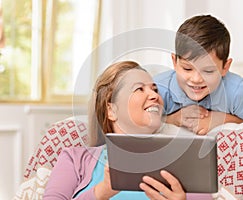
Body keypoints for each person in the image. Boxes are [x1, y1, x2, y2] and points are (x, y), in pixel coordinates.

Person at [43, 61, 188, 200]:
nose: (155, 96)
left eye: (155, 90)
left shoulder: (183, 160)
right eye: (139, 89)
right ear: (111, 110)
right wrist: (102, 192)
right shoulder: (75, 159)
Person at [154, 15, 243, 135]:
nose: (196, 79)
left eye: (208, 71)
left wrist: (219, 120)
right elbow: (139, 122)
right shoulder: (158, 89)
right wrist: (173, 119)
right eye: (187, 68)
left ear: (225, 67)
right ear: (175, 62)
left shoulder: (237, 91)